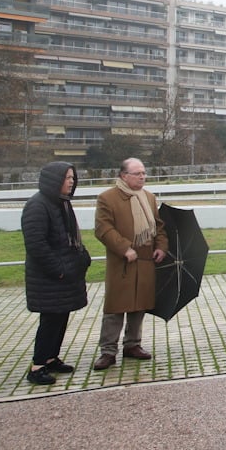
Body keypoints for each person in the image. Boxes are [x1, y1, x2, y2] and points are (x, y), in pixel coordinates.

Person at [20, 161, 92, 385]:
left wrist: (82, 258)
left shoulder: (61, 204)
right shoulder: (37, 206)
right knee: (50, 320)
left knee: (61, 317)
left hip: (65, 274)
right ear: (55, 180)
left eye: (72, 178)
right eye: (67, 178)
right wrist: (59, 271)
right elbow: (36, 244)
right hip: (50, 278)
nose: (71, 182)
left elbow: (69, 238)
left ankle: (51, 358)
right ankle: (37, 366)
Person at [93, 158, 167, 370]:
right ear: (124, 176)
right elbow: (103, 229)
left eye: (144, 173)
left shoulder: (149, 198)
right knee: (115, 308)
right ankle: (108, 351)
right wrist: (124, 248)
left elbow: (159, 227)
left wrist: (161, 246)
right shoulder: (108, 198)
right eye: (137, 173)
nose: (142, 177)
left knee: (139, 306)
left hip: (145, 261)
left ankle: (132, 345)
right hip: (122, 263)